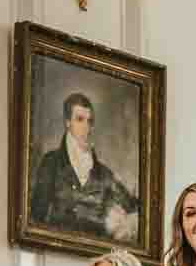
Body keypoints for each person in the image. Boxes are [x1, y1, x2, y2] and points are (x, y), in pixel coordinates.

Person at [29, 92, 139, 244]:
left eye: (89, 121)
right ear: (68, 122)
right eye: (80, 119)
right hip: (56, 250)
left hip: (96, 252)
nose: (86, 126)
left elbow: (132, 205)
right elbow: (36, 214)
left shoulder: (103, 173)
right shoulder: (51, 163)